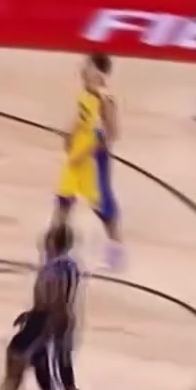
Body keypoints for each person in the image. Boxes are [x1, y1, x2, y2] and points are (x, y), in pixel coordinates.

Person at [0, 223, 121, 390]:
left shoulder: (63, 266)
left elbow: (58, 302)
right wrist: (30, 316)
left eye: (48, 238)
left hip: (52, 331)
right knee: (16, 360)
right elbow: (46, 298)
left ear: (53, 242)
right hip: (40, 324)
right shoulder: (53, 264)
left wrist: (47, 332)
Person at [52, 53, 124, 271]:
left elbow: (112, 133)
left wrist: (88, 152)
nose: (83, 70)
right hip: (77, 156)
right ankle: (55, 249)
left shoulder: (106, 99)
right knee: (63, 198)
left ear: (99, 73)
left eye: (88, 67)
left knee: (103, 207)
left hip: (94, 159)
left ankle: (115, 255)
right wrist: (69, 134)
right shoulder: (86, 93)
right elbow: (81, 117)